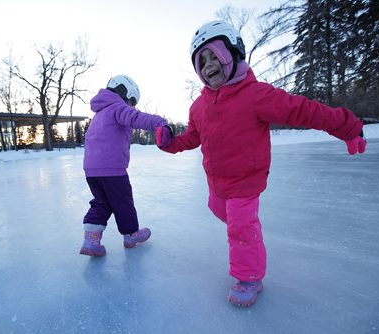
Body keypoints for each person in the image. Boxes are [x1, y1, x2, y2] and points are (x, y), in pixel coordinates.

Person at [155, 20, 367, 307]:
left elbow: (304, 111)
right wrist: (169, 143)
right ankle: (246, 233)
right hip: (217, 182)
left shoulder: (256, 95)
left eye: (214, 56)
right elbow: (192, 137)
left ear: (233, 53)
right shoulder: (199, 106)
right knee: (224, 214)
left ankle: (249, 277)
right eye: (201, 61)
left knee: (241, 228)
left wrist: (348, 127)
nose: (208, 65)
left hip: (246, 180)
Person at [80, 74, 168, 256]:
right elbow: (136, 118)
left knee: (101, 202)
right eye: (131, 101)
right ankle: (131, 234)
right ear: (124, 92)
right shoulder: (117, 108)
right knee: (123, 202)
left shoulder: (99, 114)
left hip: (91, 171)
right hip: (112, 169)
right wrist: (160, 123)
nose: (131, 106)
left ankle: (91, 241)